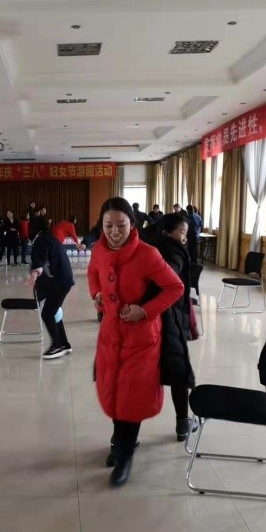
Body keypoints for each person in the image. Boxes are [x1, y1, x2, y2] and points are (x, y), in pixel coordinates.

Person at [88, 197, 184, 487]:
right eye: (108, 226)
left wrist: (145, 310)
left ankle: (125, 454)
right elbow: (94, 273)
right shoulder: (99, 249)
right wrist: (97, 295)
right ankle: (120, 439)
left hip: (141, 338)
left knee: (132, 395)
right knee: (113, 390)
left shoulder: (147, 254)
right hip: (110, 334)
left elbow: (175, 287)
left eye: (121, 225)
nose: (114, 232)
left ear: (132, 224)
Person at [141, 213, 199, 442]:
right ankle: (182, 423)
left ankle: (125, 434)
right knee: (178, 370)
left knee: (140, 374)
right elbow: (169, 276)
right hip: (168, 317)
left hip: (150, 316)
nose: (184, 238)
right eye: (182, 233)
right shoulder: (172, 251)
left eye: (186, 234)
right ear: (167, 232)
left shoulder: (150, 244)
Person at [29, 216, 74, 360]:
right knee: (54, 311)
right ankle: (64, 344)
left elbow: (40, 259)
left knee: (47, 313)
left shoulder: (41, 239)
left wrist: (34, 273)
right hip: (62, 280)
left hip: (59, 281)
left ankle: (57, 345)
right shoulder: (49, 237)